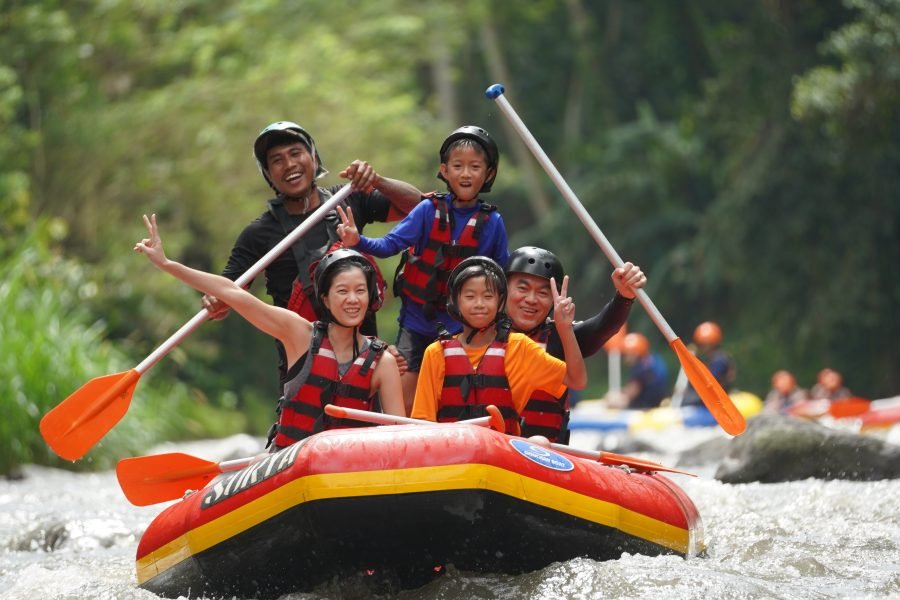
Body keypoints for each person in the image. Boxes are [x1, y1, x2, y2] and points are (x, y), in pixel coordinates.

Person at [134, 214, 405, 451]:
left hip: (347, 471)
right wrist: (167, 264)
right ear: (324, 298)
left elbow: (400, 438)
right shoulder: (298, 333)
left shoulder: (383, 362)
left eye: (360, 291)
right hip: (290, 466)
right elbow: (231, 292)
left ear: (371, 297)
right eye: (342, 291)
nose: (353, 300)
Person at [204, 121, 422, 389]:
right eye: (277, 160)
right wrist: (215, 301)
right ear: (268, 174)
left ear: (314, 158)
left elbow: (418, 209)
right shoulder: (259, 233)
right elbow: (225, 299)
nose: (289, 164)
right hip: (303, 366)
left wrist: (377, 181)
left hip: (364, 363)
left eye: (296, 153)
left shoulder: (348, 199)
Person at [335, 126, 509, 413]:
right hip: (417, 321)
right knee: (403, 400)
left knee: (456, 397)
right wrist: (357, 241)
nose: (466, 174)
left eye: (475, 167)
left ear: (488, 174)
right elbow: (390, 244)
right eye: (458, 166)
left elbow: (501, 275)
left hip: (463, 325)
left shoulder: (493, 223)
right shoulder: (428, 210)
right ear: (445, 171)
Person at [409, 256, 587, 435]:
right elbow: (423, 422)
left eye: (488, 296)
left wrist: (565, 329)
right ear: (455, 302)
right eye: (470, 296)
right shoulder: (436, 353)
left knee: (538, 442)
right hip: (453, 455)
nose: (479, 304)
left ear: (500, 302)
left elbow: (576, 380)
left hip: (500, 456)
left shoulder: (519, 347)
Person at [502, 246, 647, 442]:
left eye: (543, 293)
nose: (531, 300)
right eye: (522, 288)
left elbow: (602, 327)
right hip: (491, 449)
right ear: (504, 289)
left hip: (544, 454)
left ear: (553, 300)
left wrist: (624, 297)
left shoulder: (560, 336)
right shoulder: (483, 335)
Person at [680, 321, 736, 407]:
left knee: (686, 401)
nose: (705, 347)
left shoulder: (720, 360)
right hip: (709, 397)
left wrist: (691, 362)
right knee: (685, 398)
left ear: (714, 343)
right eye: (702, 344)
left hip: (717, 400)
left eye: (708, 344)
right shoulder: (710, 358)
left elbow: (708, 383)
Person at [608, 333, 669, 410]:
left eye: (625, 354)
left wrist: (612, 399)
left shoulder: (641, 368)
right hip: (656, 404)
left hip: (644, 408)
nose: (624, 358)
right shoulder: (653, 360)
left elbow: (630, 395)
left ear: (634, 353)